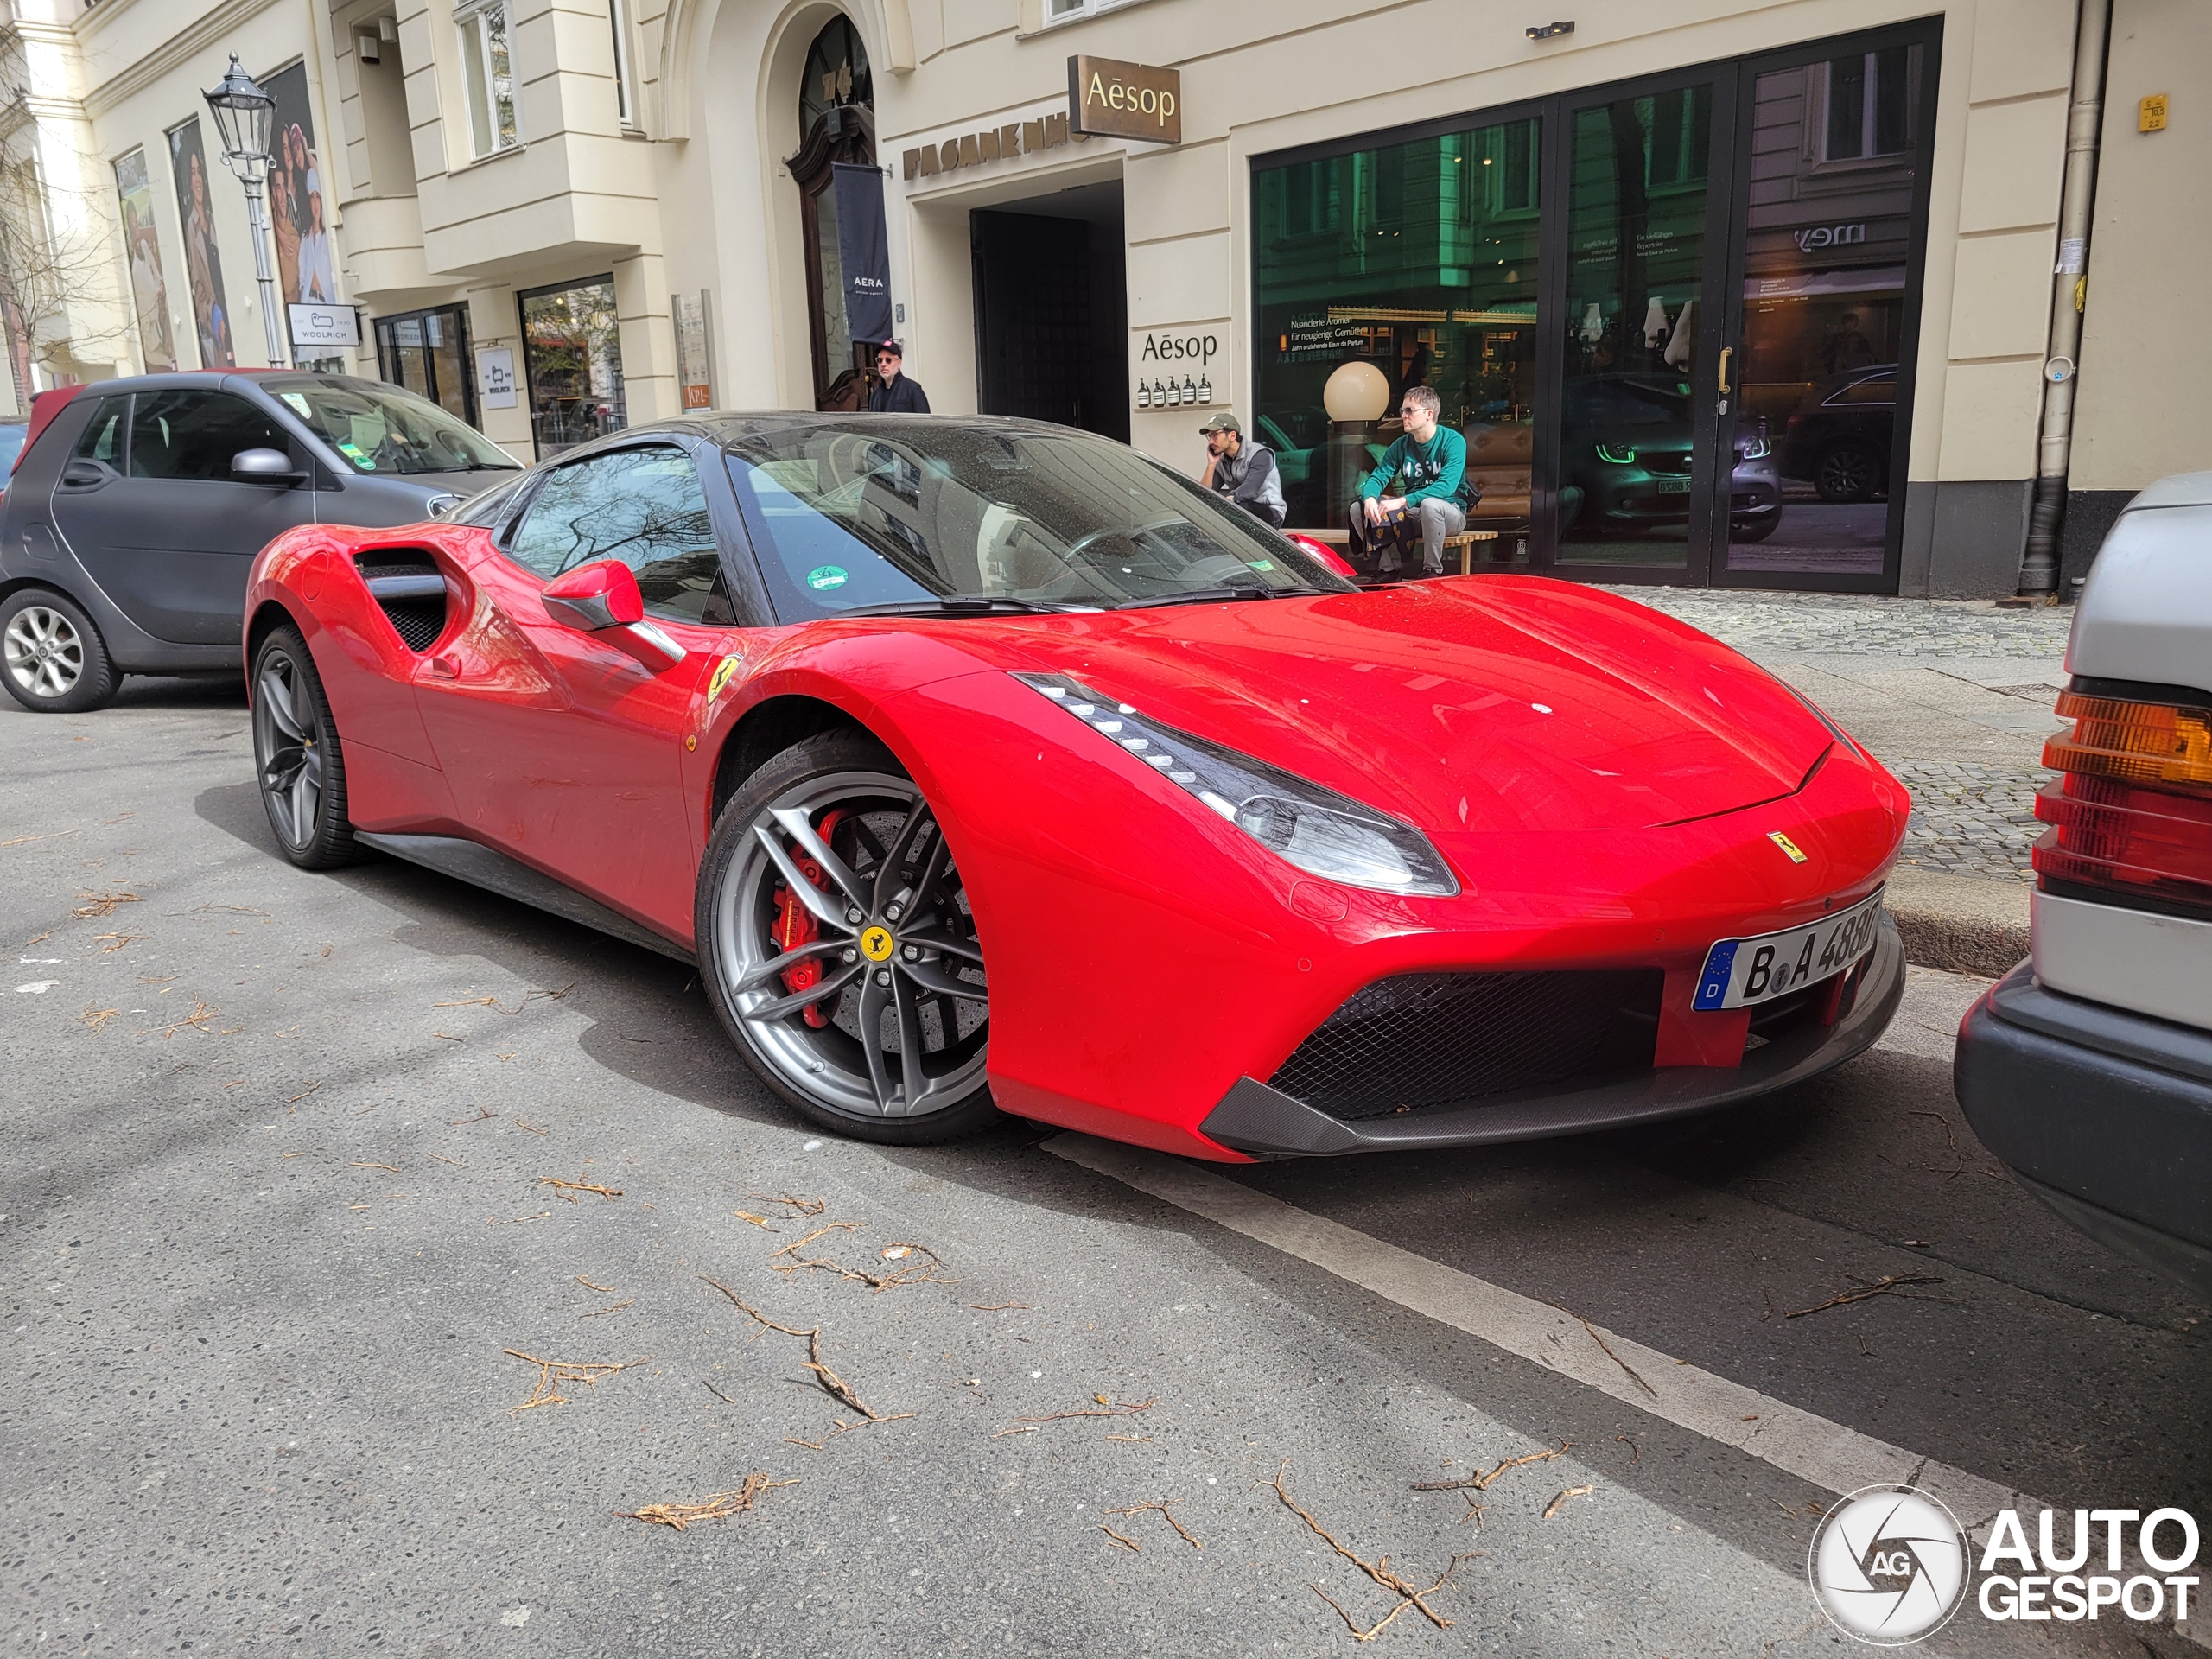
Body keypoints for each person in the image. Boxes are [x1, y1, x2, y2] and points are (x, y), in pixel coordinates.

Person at [1347, 384, 1474, 577]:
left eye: (1409, 410)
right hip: (1414, 514)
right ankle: (1386, 570)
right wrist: (1370, 498)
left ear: (1429, 414)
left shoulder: (1453, 441)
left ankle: (1432, 570)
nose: (1403, 415)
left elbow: (1447, 486)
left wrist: (1403, 500)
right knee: (1358, 508)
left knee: (1430, 505)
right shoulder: (1401, 445)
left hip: (1450, 513)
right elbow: (1378, 476)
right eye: (1402, 410)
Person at [1196, 411, 1285, 528]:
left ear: (1232, 435)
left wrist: (1225, 503)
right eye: (1209, 436)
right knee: (1211, 505)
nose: (1211, 442)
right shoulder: (1221, 460)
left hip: (1270, 514)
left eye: (1215, 435)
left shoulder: (1259, 454)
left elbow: (1250, 489)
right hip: (1240, 510)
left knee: (1238, 505)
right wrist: (1211, 464)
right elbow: (1205, 494)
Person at [866, 340, 930, 412]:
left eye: (888, 360)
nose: (883, 364)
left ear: (899, 363)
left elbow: (924, 421)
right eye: (880, 360)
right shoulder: (875, 394)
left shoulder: (913, 389)